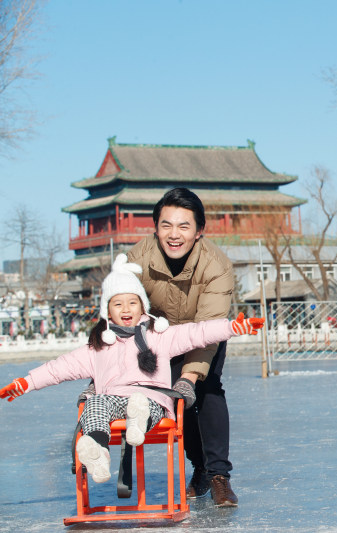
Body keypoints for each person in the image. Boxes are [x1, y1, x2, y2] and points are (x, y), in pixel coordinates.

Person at [0, 255, 264, 485]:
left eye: (132, 302)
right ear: (107, 311)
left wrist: (231, 327)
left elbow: (196, 333)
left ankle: (139, 421)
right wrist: (26, 383)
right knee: (94, 405)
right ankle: (97, 451)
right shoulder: (97, 347)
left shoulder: (158, 336)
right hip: (113, 397)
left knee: (143, 402)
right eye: (118, 304)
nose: (126, 309)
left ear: (142, 307)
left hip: (152, 398)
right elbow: (60, 368)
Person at [127, 187, 240, 507]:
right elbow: (120, 307)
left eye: (183, 226)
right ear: (156, 227)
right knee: (178, 403)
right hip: (157, 335)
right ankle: (200, 468)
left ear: (199, 231)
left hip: (204, 330)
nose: (174, 235)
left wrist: (190, 378)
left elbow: (209, 328)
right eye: (166, 225)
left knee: (206, 388)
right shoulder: (138, 259)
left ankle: (219, 476)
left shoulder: (216, 265)